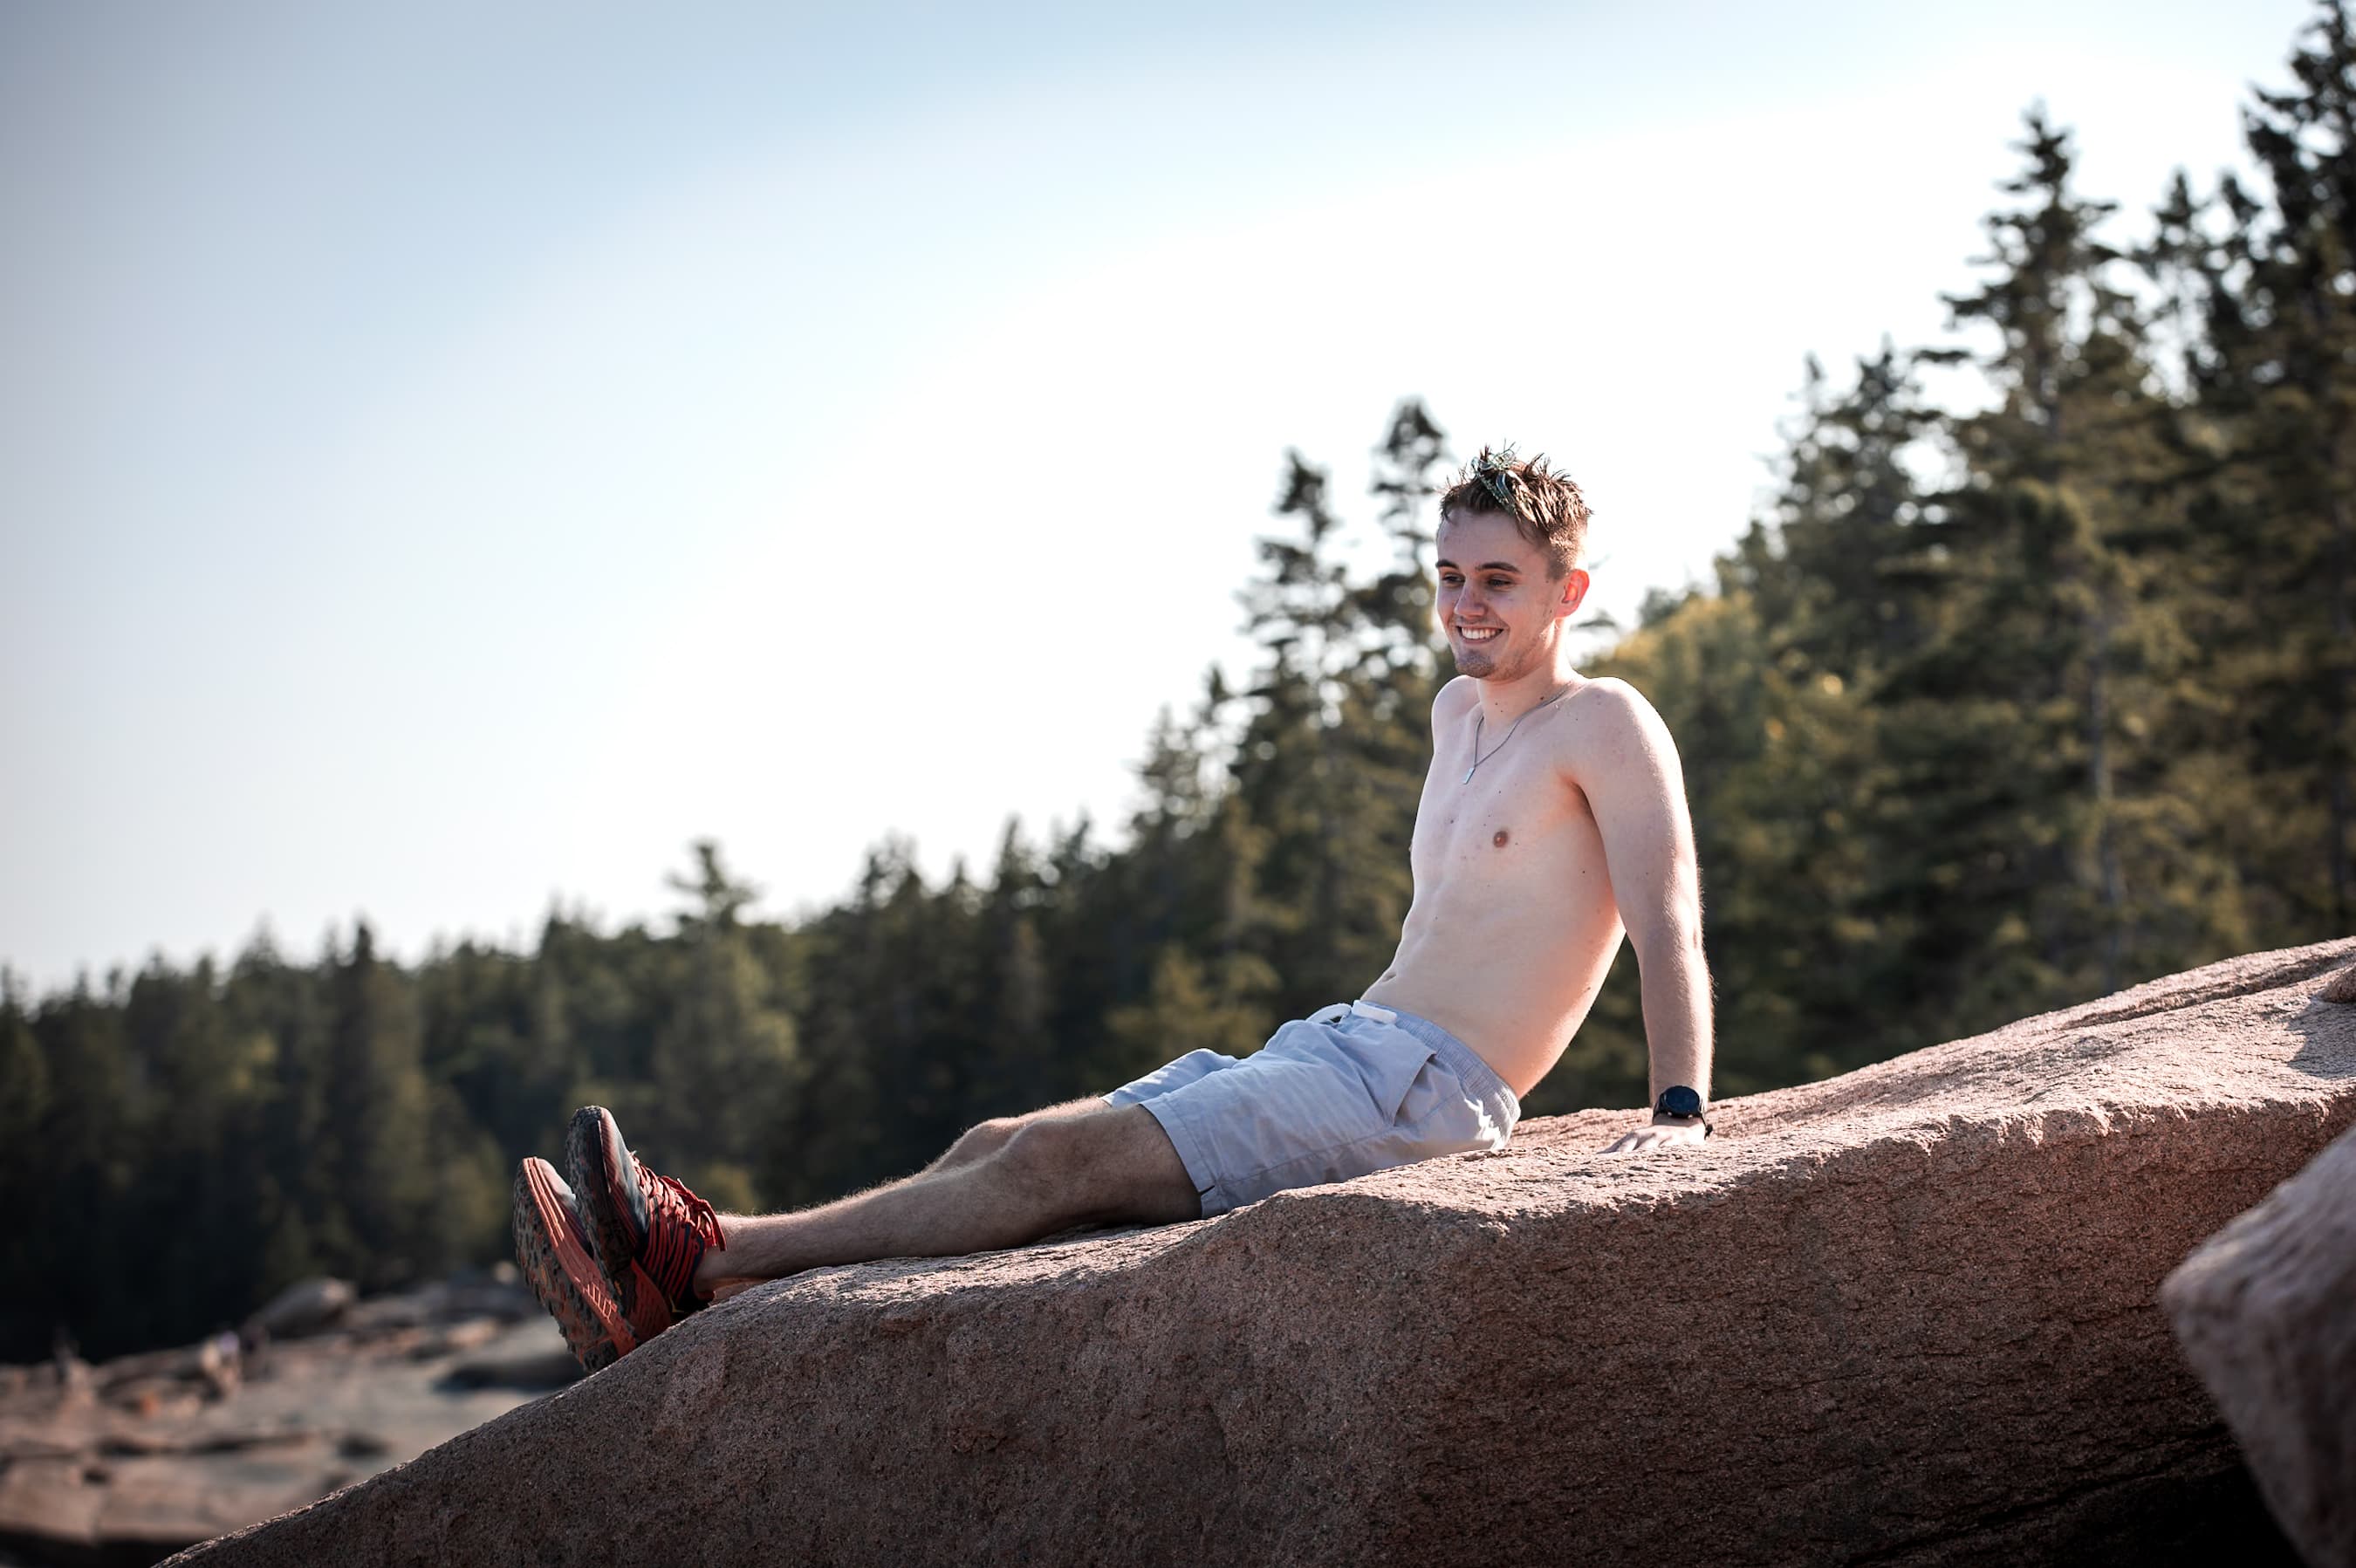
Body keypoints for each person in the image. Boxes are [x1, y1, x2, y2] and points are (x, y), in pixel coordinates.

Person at [512, 445, 1715, 1370]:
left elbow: (1668, 923)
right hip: (1343, 1045)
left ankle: (703, 1248)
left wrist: (1679, 1114)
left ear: (1569, 590)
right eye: (1450, 577)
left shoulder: (1605, 724)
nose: (1466, 604)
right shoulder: (1457, 716)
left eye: (1499, 581)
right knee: (998, 1144)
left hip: (1431, 1095)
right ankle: (701, 1298)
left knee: (1055, 1161)